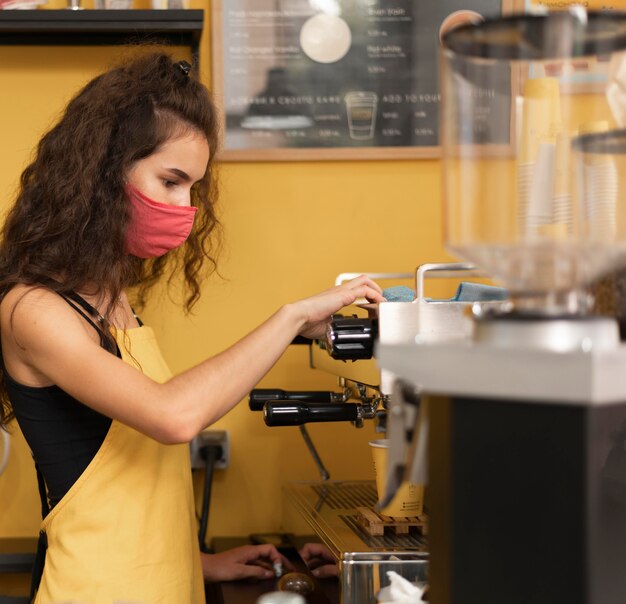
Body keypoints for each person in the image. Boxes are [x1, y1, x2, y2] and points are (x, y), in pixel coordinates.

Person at [0, 52, 384, 604]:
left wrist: (200, 562)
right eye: (171, 180)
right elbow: (172, 415)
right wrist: (291, 317)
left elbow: (131, 485)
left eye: (193, 189)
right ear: (103, 172)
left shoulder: (114, 300)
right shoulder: (34, 309)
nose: (186, 207)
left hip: (163, 585)